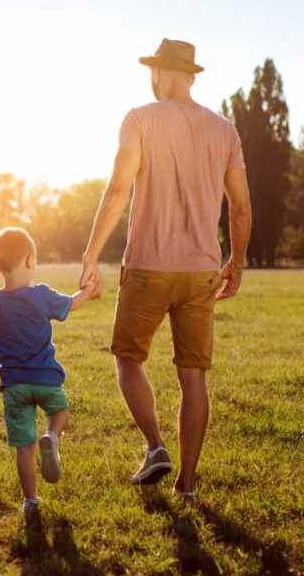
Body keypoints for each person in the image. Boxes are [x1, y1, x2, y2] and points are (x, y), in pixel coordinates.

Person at [79, 38, 253, 501]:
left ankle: (156, 446)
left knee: (128, 358)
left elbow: (117, 190)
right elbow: (240, 208)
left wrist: (91, 253)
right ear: (191, 76)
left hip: (148, 265)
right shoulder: (224, 130)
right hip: (201, 271)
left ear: (158, 74)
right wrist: (235, 261)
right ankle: (188, 484)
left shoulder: (139, 119)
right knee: (193, 376)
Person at [0, 227, 99, 516]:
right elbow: (71, 304)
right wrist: (89, 290)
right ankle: (53, 436)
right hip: (47, 380)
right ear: (31, 260)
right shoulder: (41, 295)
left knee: (24, 446)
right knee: (59, 412)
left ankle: (30, 500)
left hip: (14, 387)